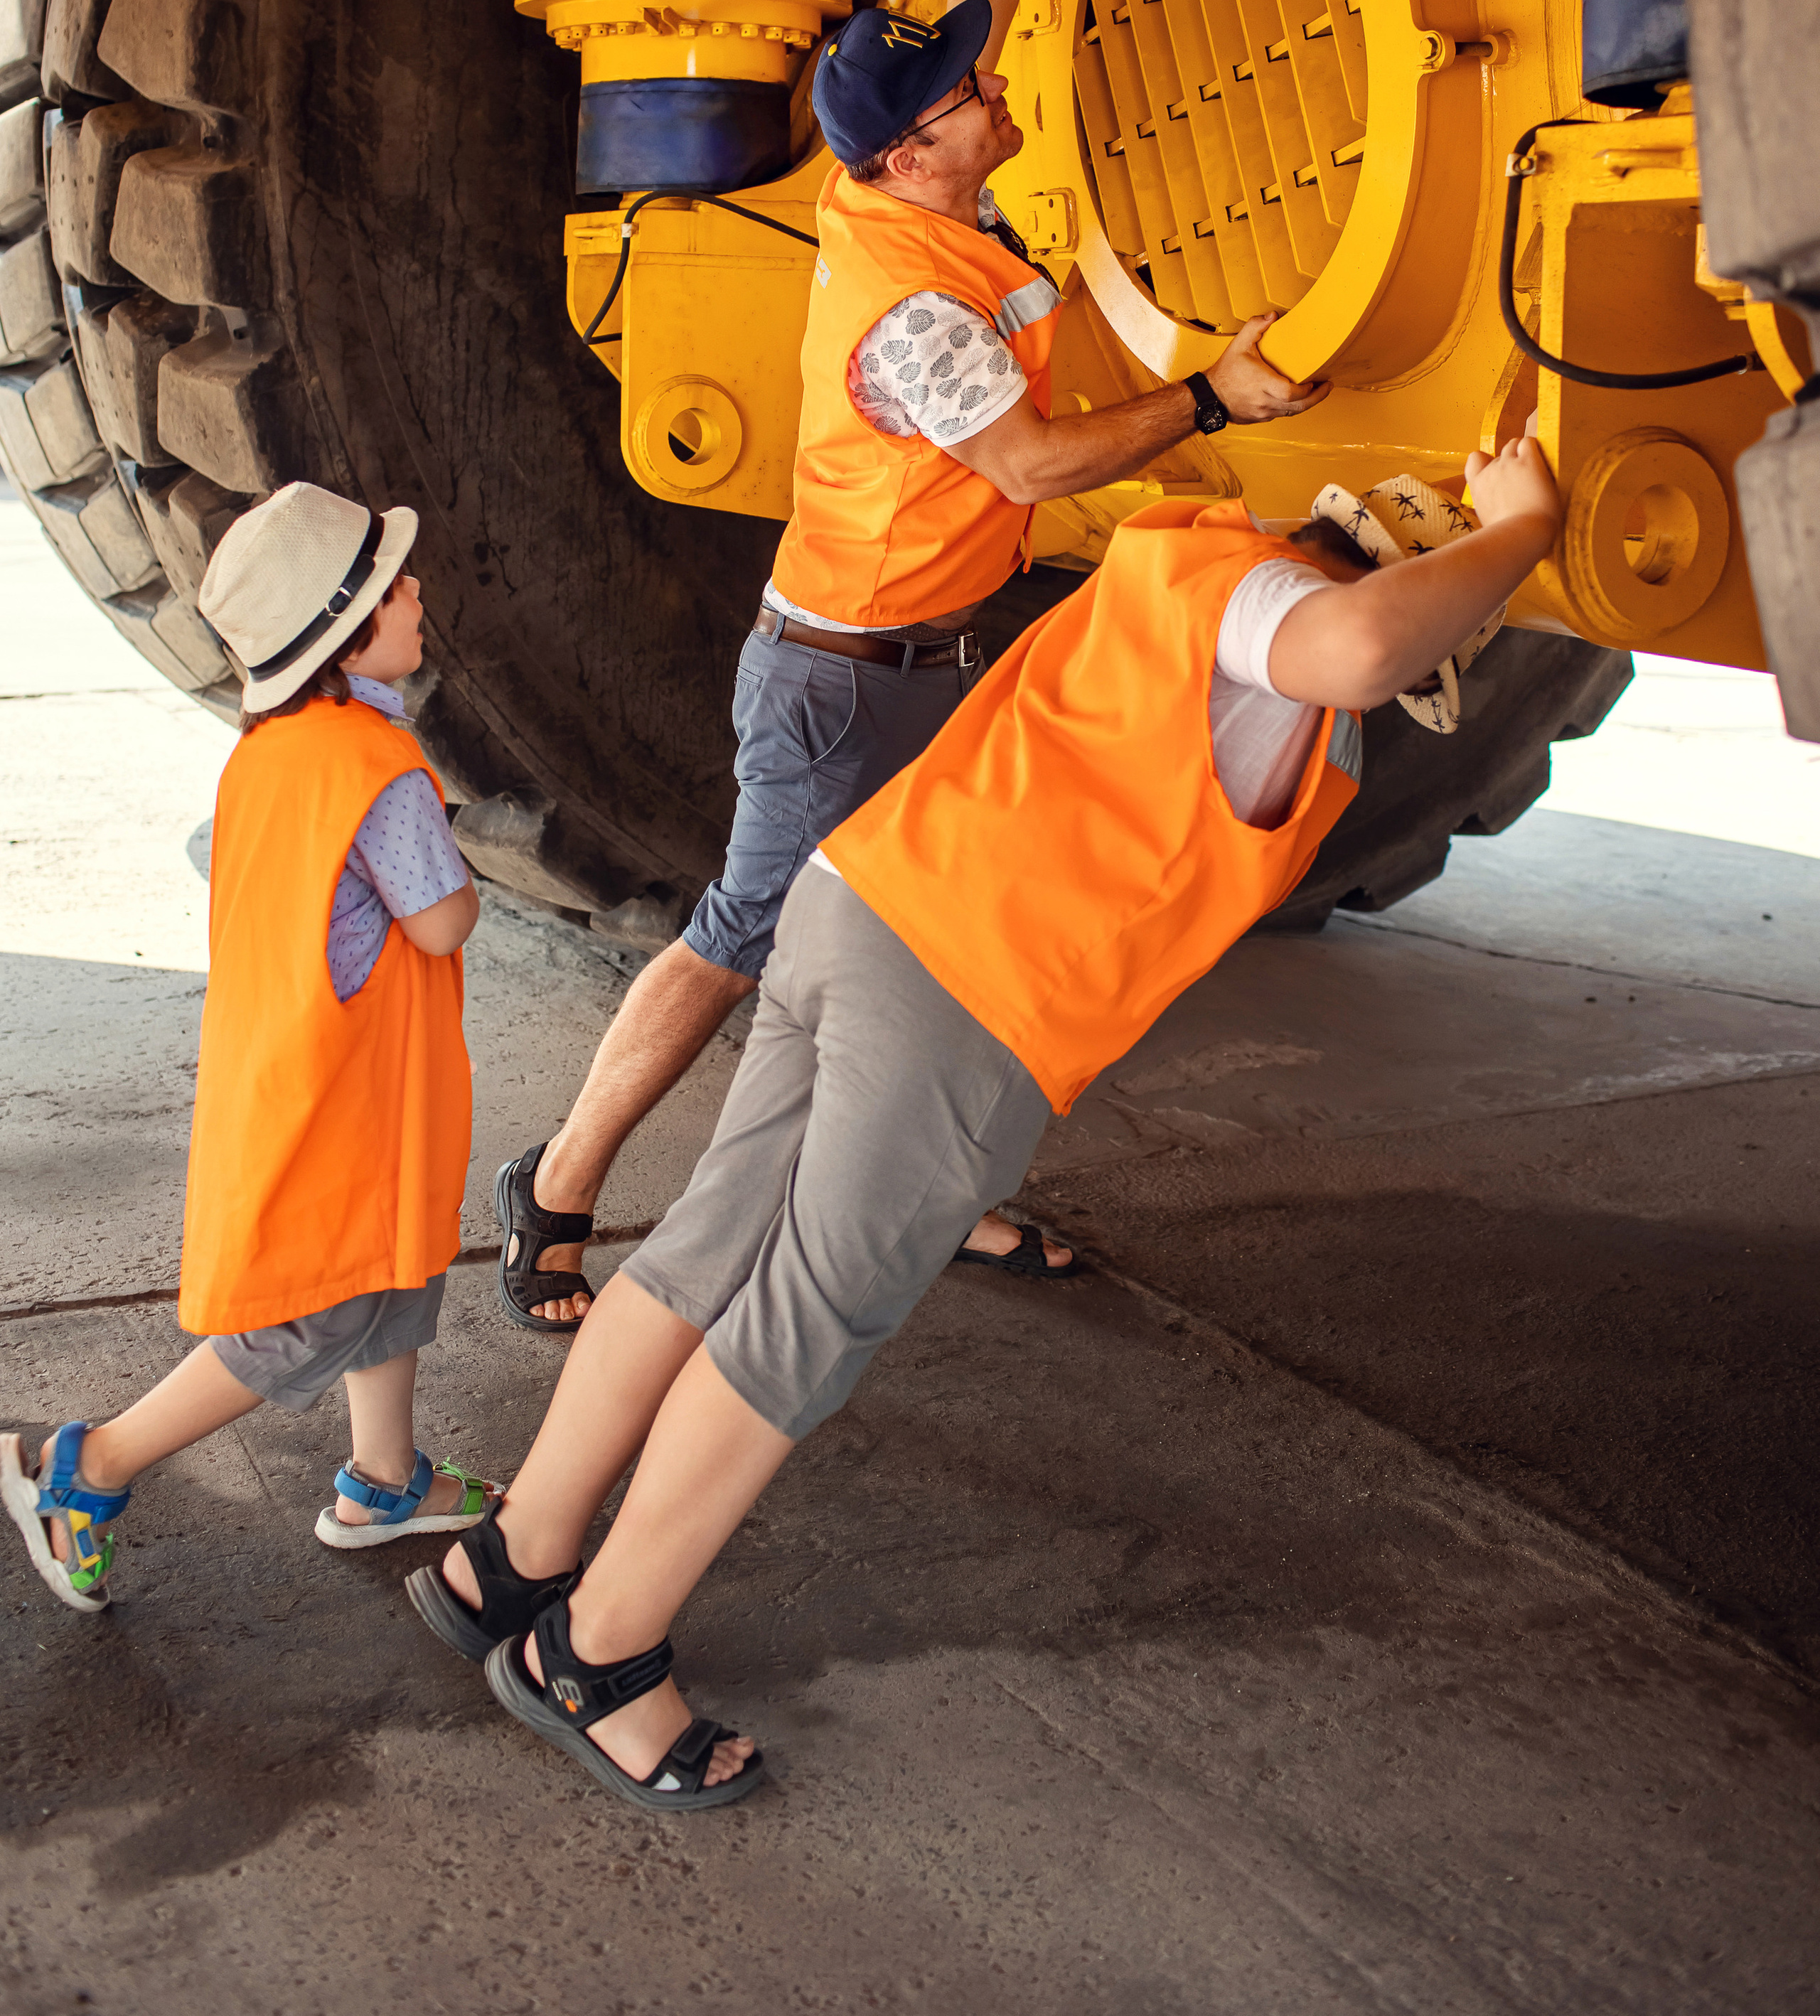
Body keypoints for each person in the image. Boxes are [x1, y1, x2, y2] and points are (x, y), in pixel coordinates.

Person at [409, 422, 1563, 1809]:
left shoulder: (1180, 562)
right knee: (801, 1321)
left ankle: (510, 1561)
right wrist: (1524, 531)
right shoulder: (1272, 605)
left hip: (863, 900)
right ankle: (594, 1653)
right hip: (964, 985)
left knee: (708, 1250)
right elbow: (1359, 647)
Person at [497, 0, 1333, 1328]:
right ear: (917, 149)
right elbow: (1032, 469)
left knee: (933, 934)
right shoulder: (915, 313)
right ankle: (557, 1181)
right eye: (968, 94)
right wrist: (1214, 401)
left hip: (926, 661)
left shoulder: (895, 169)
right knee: (743, 935)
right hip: (840, 683)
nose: (992, 83)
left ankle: (925, 1195)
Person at [1, 483, 492, 1614]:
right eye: (392, 584)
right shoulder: (375, 765)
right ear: (350, 635)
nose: (417, 588)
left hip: (295, 1074)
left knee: (393, 1271)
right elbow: (442, 922)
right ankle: (86, 1466)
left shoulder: (268, 751)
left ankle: (383, 1480)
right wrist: (453, 855)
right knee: (311, 1316)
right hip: (347, 1105)